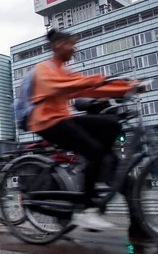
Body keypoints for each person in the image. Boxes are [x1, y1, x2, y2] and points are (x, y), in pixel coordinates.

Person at [28, 28, 142, 231]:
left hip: (63, 119)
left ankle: (99, 164)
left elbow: (88, 89)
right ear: (57, 45)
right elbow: (63, 86)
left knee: (111, 125)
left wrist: (129, 87)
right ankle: (87, 209)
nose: (74, 48)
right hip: (47, 122)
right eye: (71, 44)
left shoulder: (63, 70)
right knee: (96, 152)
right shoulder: (44, 69)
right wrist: (98, 79)